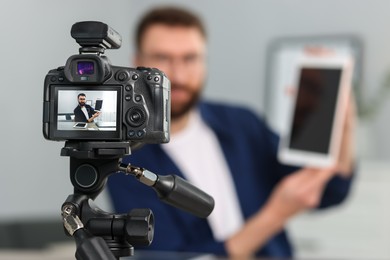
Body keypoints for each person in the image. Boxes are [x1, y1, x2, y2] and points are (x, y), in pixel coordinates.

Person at [107, 6, 355, 258]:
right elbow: (172, 255)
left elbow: (331, 191)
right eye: (162, 58)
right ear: (137, 63)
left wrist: (342, 122)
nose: (178, 74)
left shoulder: (243, 124)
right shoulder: (123, 158)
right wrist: (275, 215)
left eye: (190, 58)